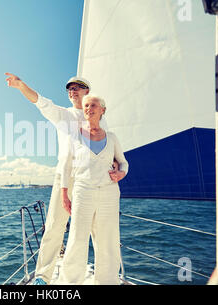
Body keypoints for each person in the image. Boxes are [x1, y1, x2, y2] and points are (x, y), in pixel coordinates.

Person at [6, 73, 102, 285]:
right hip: (65, 177)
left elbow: (108, 145)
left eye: (78, 87)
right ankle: (43, 277)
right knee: (54, 227)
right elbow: (40, 101)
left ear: (87, 91)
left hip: (92, 177)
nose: (73, 90)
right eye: (70, 88)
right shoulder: (63, 115)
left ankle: (105, 277)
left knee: (97, 229)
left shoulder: (97, 117)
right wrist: (21, 85)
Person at [59, 94, 128, 285]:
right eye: (86, 105)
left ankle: (107, 282)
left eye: (93, 105)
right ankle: (71, 283)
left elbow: (123, 163)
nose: (88, 108)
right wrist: (64, 195)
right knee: (76, 238)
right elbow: (65, 167)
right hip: (83, 191)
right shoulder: (74, 135)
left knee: (107, 239)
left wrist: (121, 173)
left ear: (102, 110)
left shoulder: (112, 137)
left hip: (109, 193)